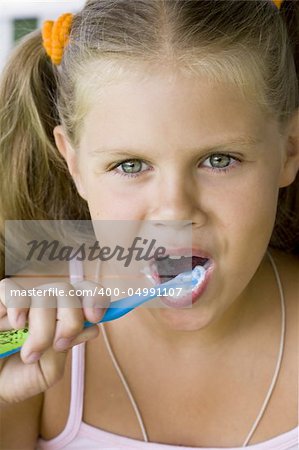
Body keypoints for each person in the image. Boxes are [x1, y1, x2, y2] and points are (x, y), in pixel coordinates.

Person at [0, 0, 298, 448]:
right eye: (130, 165)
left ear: (290, 150)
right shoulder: (25, 331)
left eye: (219, 160)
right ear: (74, 164)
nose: (174, 210)